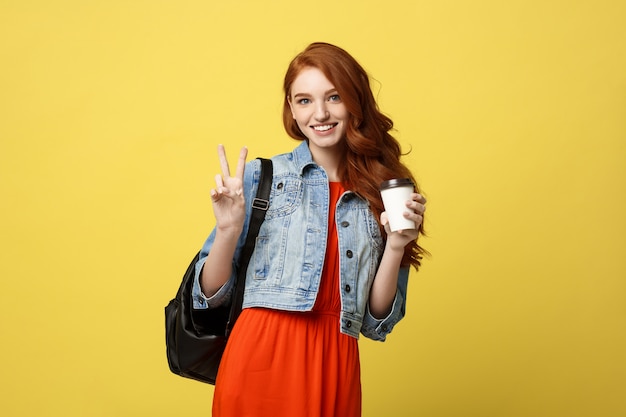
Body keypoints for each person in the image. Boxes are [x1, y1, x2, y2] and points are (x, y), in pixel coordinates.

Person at [192, 42, 427, 417]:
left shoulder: (383, 191)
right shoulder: (261, 177)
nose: (320, 113)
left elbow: (376, 320)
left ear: (355, 101)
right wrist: (228, 229)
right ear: (290, 108)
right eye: (304, 100)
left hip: (335, 360)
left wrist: (397, 244)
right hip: (258, 358)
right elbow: (207, 296)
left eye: (334, 97)